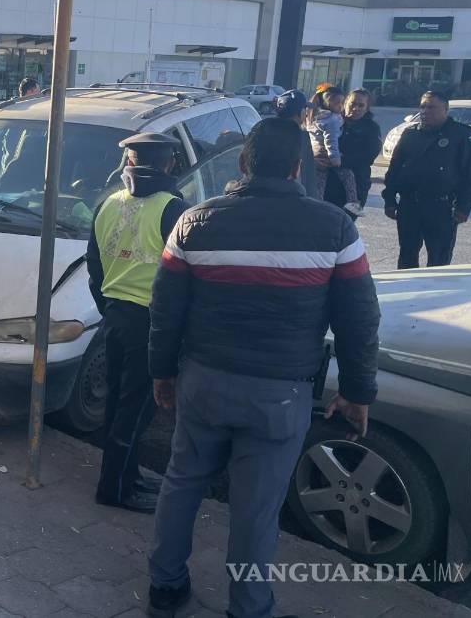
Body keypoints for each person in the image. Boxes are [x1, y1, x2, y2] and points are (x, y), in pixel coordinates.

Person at [146, 118, 380, 618]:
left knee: (182, 481)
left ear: (243, 163)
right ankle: (249, 608)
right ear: (298, 167)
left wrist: (162, 373)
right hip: (280, 396)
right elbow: (359, 318)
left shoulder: (195, 221)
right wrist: (358, 390)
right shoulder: (336, 227)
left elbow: (165, 311)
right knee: (256, 510)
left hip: (203, 382)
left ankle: (165, 588)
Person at [86, 132, 189, 514]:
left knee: (117, 402)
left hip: (114, 317)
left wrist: (108, 307)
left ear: (128, 161)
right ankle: (113, 488)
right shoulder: (175, 208)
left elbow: (94, 265)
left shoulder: (107, 203)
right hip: (151, 323)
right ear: (169, 164)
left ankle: (124, 475)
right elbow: (184, 278)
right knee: (136, 410)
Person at [383, 90, 471, 269]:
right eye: (423, 106)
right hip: (410, 205)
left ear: (445, 109)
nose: (425, 111)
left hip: (442, 208)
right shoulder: (410, 133)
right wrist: (389, 199)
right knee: (407, 256)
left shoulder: (460, 135)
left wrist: (464, 206)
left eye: (431, 107)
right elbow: (395, 169)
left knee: (438, 261)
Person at [309, 86, 362, 216]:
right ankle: (353, 203)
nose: (340, 106)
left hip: (316, 154)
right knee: (348, 176)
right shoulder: (331, 120)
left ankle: (316, 206)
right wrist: (335, 158)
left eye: (342, 103)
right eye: (337, 103)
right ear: (327, 103)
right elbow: (331, 140)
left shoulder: (314, 115)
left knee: (319, 182)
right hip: (328, 154)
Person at [327, 89, 381, 213]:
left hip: (357, 184)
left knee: (346, 224)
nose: (355, 108)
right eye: (352, 104)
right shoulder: (334, 122)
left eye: (361, 105)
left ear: (367, 108)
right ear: (345, 104)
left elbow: (368, 156)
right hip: (330, 183)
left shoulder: (371, 128)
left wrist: (340, 161)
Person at [273, 89, 317, 198]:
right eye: (305, 109)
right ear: (301, 112)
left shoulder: (266, 131)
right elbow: (308, 177)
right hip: (294, 199)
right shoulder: (300, 136)